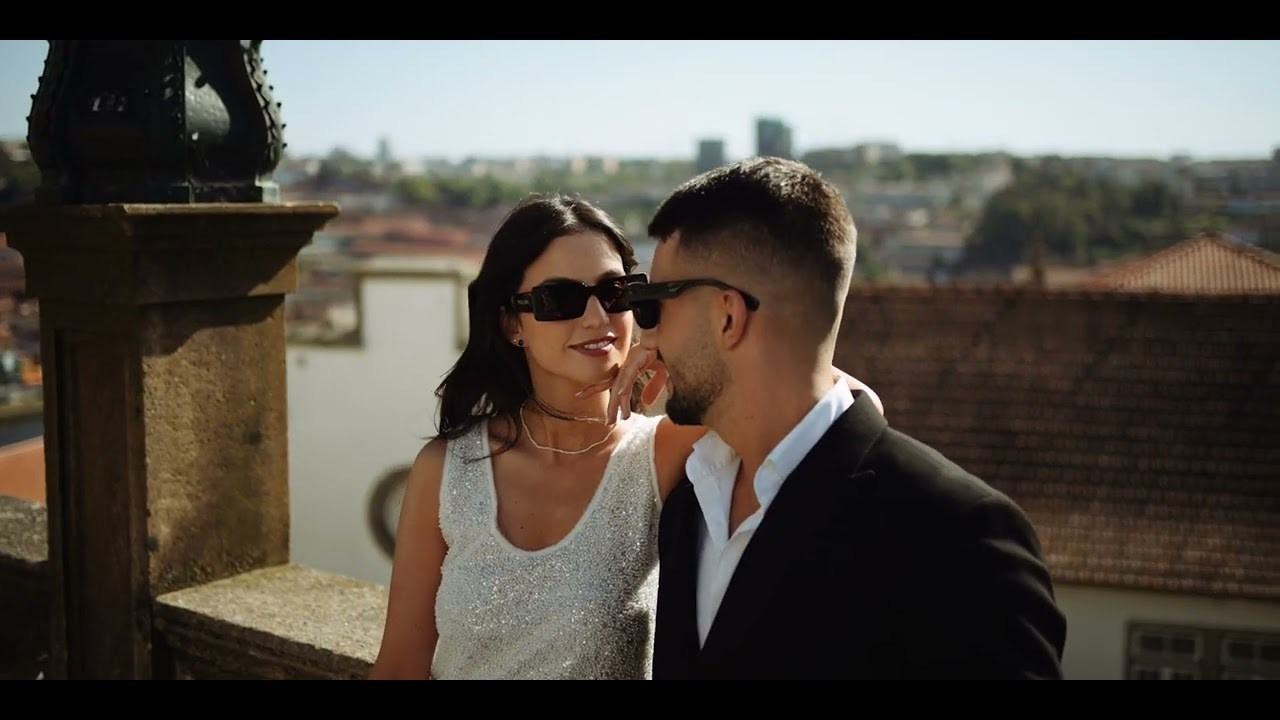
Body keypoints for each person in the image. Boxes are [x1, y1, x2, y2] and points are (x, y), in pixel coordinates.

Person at [367, 192, 882, 680]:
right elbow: (397, 668)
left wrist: (677, 367)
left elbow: (842, 410)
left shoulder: (664, 451)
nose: (598, 318)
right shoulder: (447, 468)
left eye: (616, 293)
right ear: (510, 323)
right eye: (560, 298)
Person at [608, 156, 1067, 679]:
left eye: (651, 304)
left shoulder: (955, 537)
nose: (645, 336)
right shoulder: (690, 505)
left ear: (728, 316)